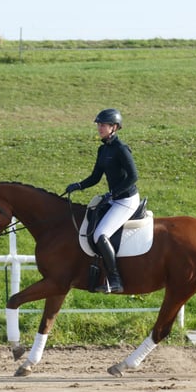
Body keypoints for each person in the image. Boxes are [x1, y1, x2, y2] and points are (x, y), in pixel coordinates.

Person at [65, 108, 140, 293]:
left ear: (114, 127)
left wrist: (113, 193)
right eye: (99, 124)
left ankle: (115, 280)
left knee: (100, 234)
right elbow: (95, 177)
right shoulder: (103, 150)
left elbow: (133, 177)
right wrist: (78, 185)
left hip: (126, 200)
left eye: (103, 124)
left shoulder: (121, 149)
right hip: (114, 199)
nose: (99, 127)